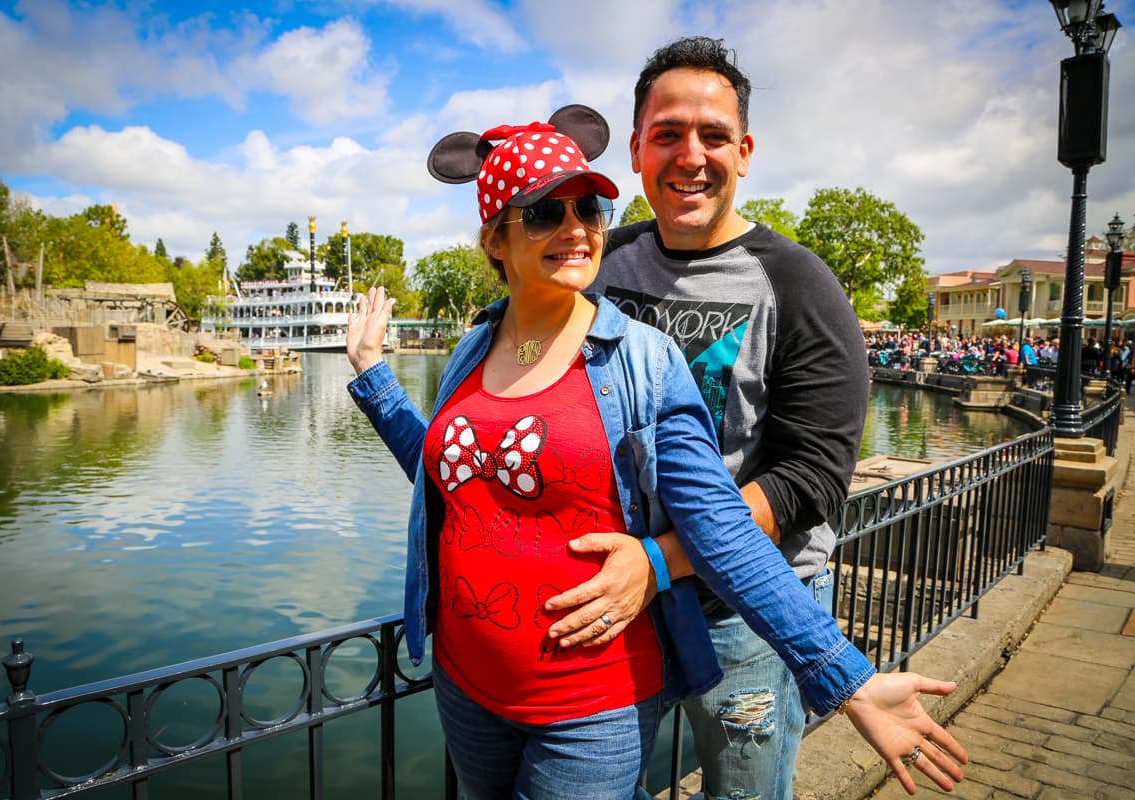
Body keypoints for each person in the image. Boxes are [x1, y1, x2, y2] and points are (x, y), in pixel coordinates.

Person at [346, 106, 967, 799]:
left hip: (586, 705)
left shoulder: (641, 361)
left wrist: (847, 678)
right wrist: (374, 379)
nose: (577, 228)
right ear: (495, 238)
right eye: (545, 213)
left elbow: (720, 526)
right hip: (467, 689)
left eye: (589, 207)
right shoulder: (471, 350)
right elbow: (449, 483)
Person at [534, 36, 940, 800]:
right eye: (668, 135)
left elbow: (809, 481)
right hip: (613, 608)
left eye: (713, 136)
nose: (691, 155)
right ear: (635, 151)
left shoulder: (800, 285)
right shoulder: (596, 262)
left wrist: (656, 561)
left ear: (744, 151)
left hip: (747, 613)